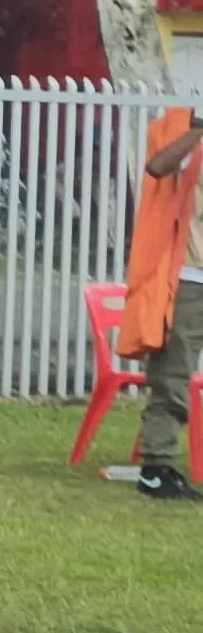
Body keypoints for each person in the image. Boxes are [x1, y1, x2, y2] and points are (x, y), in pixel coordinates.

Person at [125, 109, 203, 505]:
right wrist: (199, 129)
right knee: (173, 374)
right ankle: (156, 468)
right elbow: (157, 166)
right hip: (190, 278)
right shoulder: (185, 136)